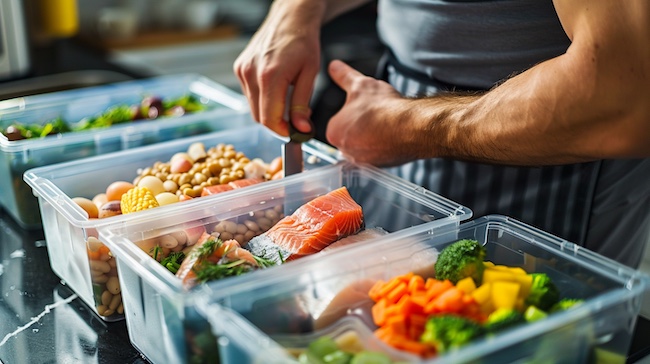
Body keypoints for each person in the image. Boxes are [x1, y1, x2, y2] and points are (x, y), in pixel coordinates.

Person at [234, 0, 650, 268]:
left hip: (551, 149)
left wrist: (406, 126)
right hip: (397, 122)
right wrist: (297, 11)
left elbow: (621, 96)